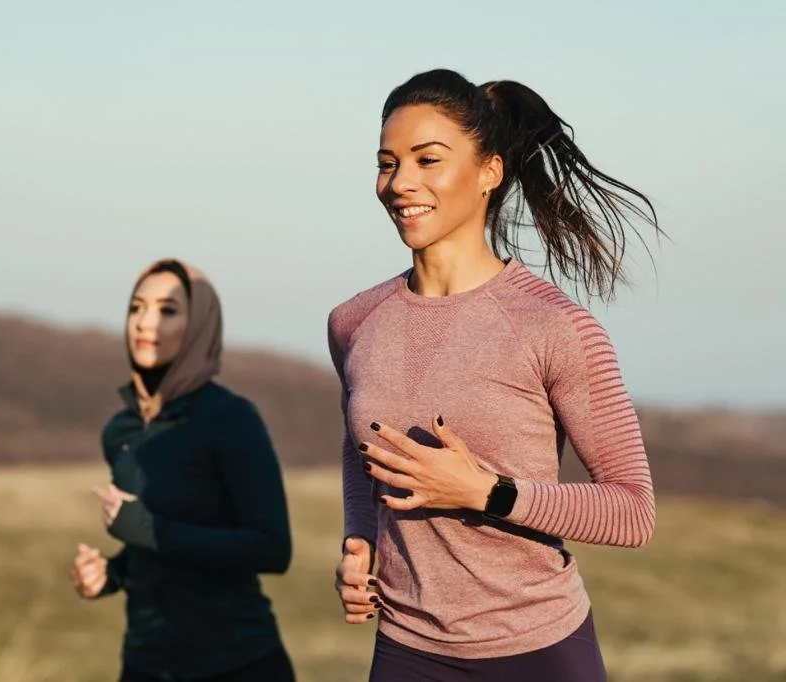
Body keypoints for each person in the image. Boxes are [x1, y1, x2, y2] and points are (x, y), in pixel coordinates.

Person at [328, 68, 661, 681]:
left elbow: (634, 510)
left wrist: (487, 492)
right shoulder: (354, 322)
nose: (401, 183)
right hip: (405, 651)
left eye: (428, 160)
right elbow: (360, 449)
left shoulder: (555, 327)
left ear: (489, 172)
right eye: (387, 162)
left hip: (537, 651)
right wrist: (361, 538)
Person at [70, 258, 295, 682]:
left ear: (199, 327)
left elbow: (271, 548)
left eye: (167, 310)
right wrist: (111, 574)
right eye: (136, 308)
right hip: (144, 664)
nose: (144, 323)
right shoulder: (121, 429)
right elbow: (150, 551)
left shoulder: (231, 418)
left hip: (236, 663)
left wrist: (149, 529)